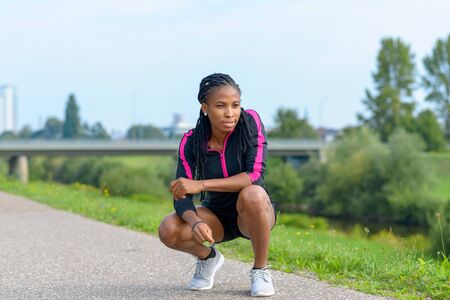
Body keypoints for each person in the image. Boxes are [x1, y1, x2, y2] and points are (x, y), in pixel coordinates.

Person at [158, 73, 277, 297]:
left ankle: (260, 270)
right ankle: (208, 258)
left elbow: (254, 174)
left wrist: (200, 184)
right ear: (205, 107)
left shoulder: (250, 122)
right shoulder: (192, 140)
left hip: (253, 212)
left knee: (254, 194)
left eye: (235, 105)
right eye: (220, 106)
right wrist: (194, 223)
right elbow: (181, 194)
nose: (230, 113)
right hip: (216, 216)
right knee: (169, 229)